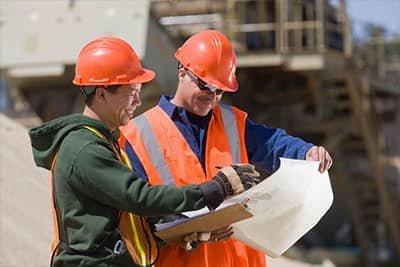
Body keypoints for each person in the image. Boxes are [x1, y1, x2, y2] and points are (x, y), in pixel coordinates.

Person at [28, 36, 261, 267]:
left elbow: (129, 221)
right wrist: (214, 189)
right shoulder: (84, 149)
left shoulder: (100, 142)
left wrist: (188, 232)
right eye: (132, 92)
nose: (138, 101)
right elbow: (140, 197)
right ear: (101, 94)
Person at [120, 30, 333, 267]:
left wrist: (306, 152)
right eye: (205, 85)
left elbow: (272, 143)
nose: (211, 96)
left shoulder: (233, 124)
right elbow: (138, 216)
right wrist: (188, 231)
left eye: (219, 90)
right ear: (182, 72)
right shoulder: (138, 135)